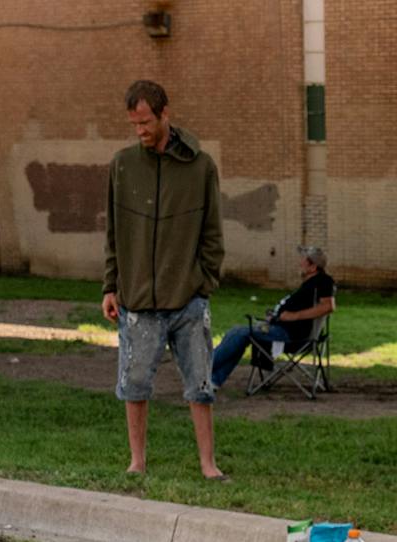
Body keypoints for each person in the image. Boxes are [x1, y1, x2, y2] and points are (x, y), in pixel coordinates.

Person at [101, 79, 227, 480]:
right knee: (133, 385)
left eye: (145, 123)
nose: (139, 131)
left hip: (188, 300)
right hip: (137, 301)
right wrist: (110, 285)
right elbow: (113, 234)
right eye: (133, 124)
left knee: (200, 384)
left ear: (164, 114)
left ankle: (208, 465)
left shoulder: (201, 167)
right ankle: (137, 462)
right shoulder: (122, 166)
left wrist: (203, 283)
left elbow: (213, 234)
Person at [211, 245, 336, 389]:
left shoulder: (323, 281)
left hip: (292, 335)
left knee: (239, 333)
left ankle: (202, 370)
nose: (299, 263)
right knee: (240, 333)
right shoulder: (310, 283)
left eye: (303, 260)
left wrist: (294, 316)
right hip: (281, 328)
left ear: (313, 267)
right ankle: (213, 380)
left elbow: (328, 306)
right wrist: (275, 315)